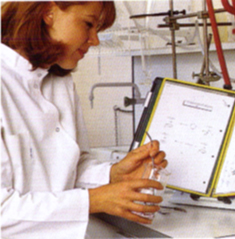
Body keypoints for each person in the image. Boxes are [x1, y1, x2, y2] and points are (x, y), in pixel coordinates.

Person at [1, 1, 167, 238]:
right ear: (48, 12)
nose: (94, 40)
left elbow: (69, 167)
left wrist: (113, 175)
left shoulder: (59, 81)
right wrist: (93, 200)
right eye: (88, 24)